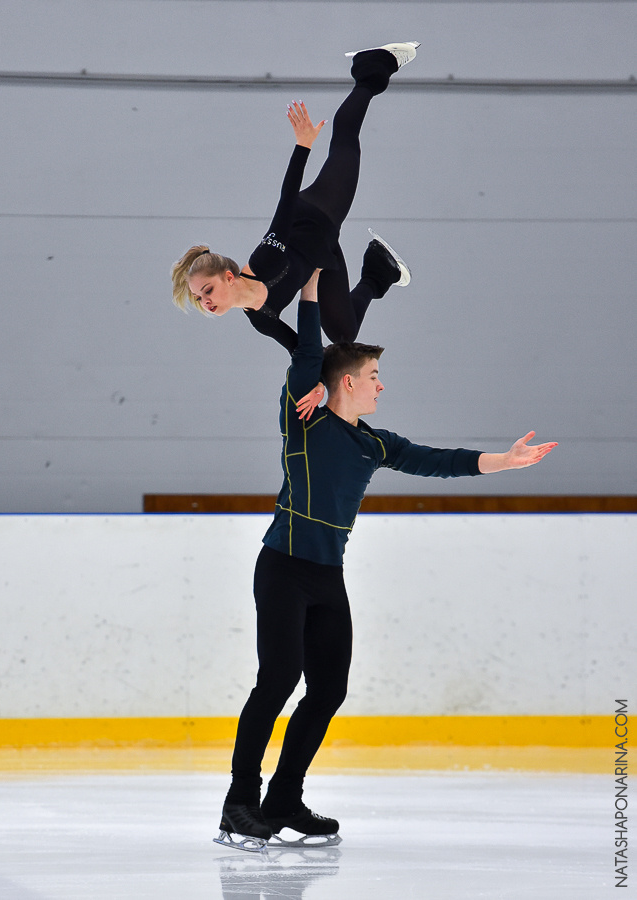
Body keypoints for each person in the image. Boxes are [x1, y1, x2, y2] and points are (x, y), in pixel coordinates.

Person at [214, 269, 558, 851]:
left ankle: (284, 799)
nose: (381, 386)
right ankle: (238, 803)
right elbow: (307, 352)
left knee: (328, 690)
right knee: (278, 680)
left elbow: (435, 460)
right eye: (374, 376)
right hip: (283, 569)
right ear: (346, 382)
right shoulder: (305, 420)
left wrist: (502, 461)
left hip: (327, 578)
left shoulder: (373, 443)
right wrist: (311, 286)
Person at [171, 42, 421, 357]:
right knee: (343, 335)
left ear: (229, 277)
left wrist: (303, 146)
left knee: (345, 143)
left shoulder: (264, 261)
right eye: (199, 298)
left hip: (317, 213)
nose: (205, 302)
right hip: (321, 255)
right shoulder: (261, 320)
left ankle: (371, 68)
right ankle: (379, 268)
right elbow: (303, 351)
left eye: (206, 290)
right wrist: (318, 382)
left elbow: (286, 203)